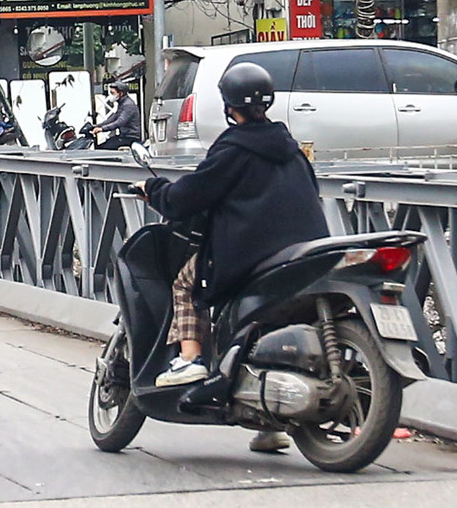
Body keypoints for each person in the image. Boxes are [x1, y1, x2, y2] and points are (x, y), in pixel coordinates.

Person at [137, 62, 330, 452]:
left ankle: (190, 358)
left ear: (229, 106)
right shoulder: (291, 150)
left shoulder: (233, 148)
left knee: (187, 281)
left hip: (254, 255)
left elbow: (187, 197)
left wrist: (153, 189)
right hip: (306, 255)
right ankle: (269, 424)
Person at [92, 80, 142, 150]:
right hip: (123, 136)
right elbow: (114, 117)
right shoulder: (122, 104)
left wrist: (102, 129)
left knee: (104, 148)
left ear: (121, 93)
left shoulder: (128, 105)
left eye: (113, 93)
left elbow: (119, 122)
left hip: (130, 138)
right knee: (105, 144)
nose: (111, 95)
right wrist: (97, 126)